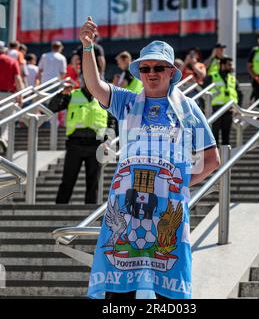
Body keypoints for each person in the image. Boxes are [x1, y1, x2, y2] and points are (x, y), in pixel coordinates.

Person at [80, 16, 220, 300]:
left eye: (158, 67)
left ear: (171, 72)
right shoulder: (127, 101)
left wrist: (180, 184)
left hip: (168, 212)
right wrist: (87, 47)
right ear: (139, 72)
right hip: (126, 208)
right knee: (119, 290)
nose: (151, 73)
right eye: (145, 68)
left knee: (169, 290)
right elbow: (95, 85)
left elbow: (212, 158)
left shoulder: (187, 108)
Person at [48, 81, 115, 204]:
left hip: (96, 145)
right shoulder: (72, 94)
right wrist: (61, 94)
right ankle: (59, 210)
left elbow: (111, 122)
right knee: (68, 180)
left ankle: (89, 215)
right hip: (75, 144)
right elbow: (52, 107)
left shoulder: (104, 98)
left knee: (93, 183)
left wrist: (108, 141)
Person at [203, 57, 243, 146]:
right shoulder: (212, 76)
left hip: (229, 109)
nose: (231, 67)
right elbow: (204, 92)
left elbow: (240, 94)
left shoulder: (232, 78)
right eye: (229, 64)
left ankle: (225, 158)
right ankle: (215, 157)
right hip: (215, 109)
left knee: (226, 136)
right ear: (222, 65)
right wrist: (204, 107)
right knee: (214, 135)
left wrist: (238, 109)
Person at [0, 45, 24, 153]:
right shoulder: (12, 61)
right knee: (7, 118)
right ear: (5, 51)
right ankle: (3, 138)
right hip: (8, 94)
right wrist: (21, 95)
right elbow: (18, 79)